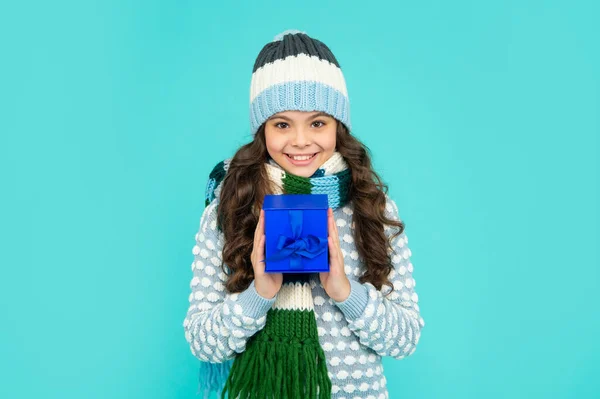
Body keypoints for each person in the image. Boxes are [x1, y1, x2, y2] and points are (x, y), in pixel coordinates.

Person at [183, 29, 425, 399]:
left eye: (317, 122)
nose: (300, 141)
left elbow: (405, 340)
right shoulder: (229, 206)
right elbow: (203, 343)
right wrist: (260, 293)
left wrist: (344, 290)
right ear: (261, 129)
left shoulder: (370, 207)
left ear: (338, 126)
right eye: (282, 124)